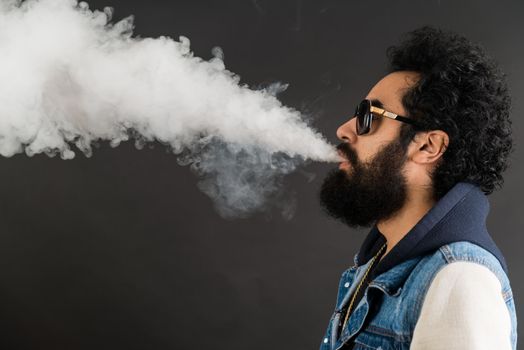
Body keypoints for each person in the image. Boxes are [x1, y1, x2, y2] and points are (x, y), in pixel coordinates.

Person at [318, 25, 517, 349]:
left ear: (428, 146)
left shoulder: (458, 280)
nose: (344, 129)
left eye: (369, 116)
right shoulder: (378, 262)